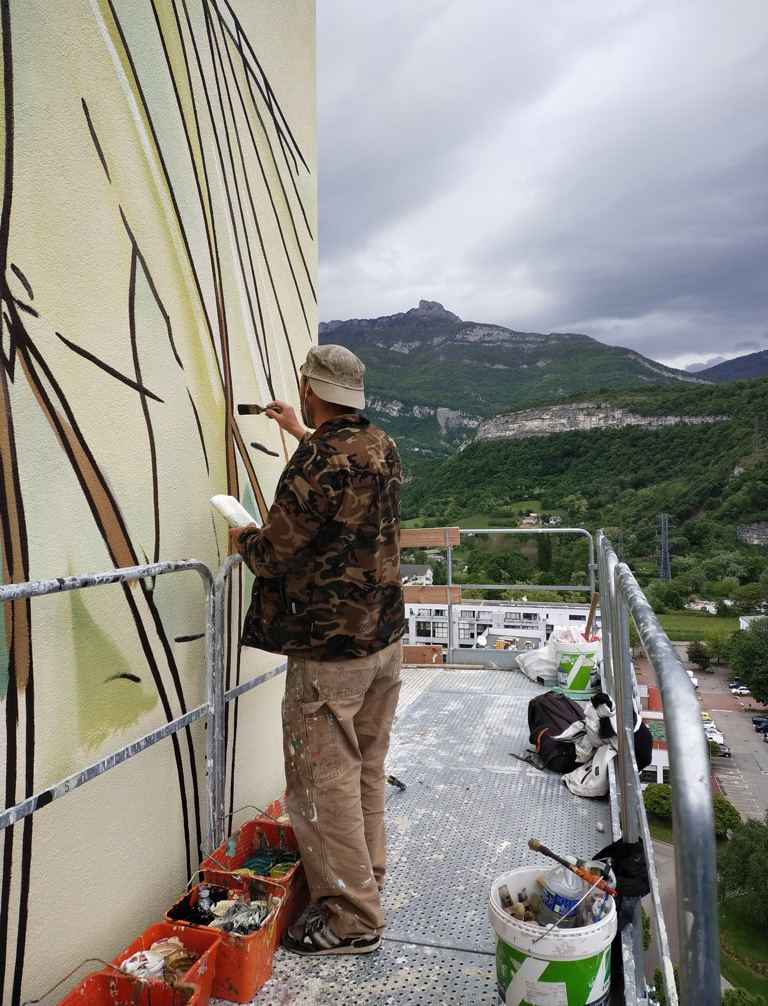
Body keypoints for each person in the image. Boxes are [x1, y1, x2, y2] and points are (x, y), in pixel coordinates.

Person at [230, 344, 404, 956]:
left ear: (309, 386)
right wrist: (299, 431)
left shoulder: (316, 465)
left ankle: (353, 920)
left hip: (332, 652)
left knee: (320, 784)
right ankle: (367, 883)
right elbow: (343, 482)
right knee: (364, 772)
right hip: (383, 642)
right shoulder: (381, 445)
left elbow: (274, 553)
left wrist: (241, 536)